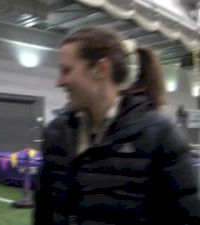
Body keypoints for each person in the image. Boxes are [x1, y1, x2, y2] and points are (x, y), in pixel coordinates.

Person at [34, 27, 200, 225]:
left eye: (67, 70)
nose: (59, 81)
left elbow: (185, 217)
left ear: (101, 69)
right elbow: (43, 212)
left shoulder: (160, 134)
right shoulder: (56, 132)